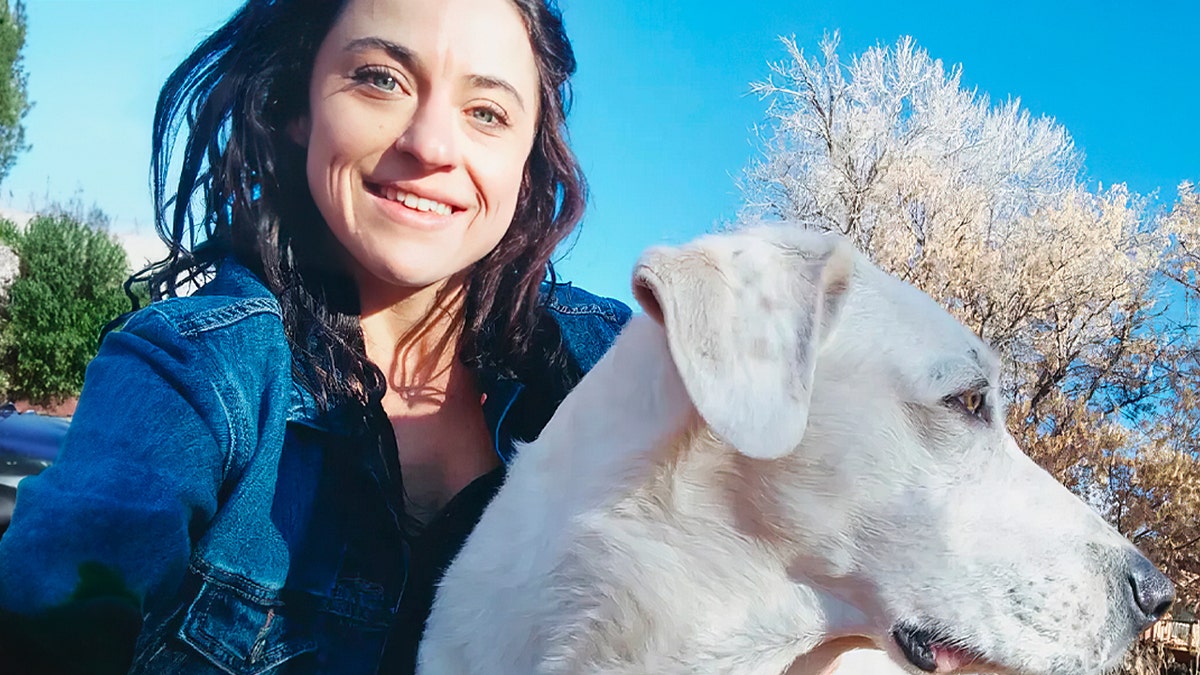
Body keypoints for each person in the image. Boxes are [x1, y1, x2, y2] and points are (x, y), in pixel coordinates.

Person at [0, 0, 630, 672]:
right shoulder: (192, 370)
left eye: (487, 113)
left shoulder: (615, 370)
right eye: (381, 79)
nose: (431, 145)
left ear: (528, 159)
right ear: (296, 107)